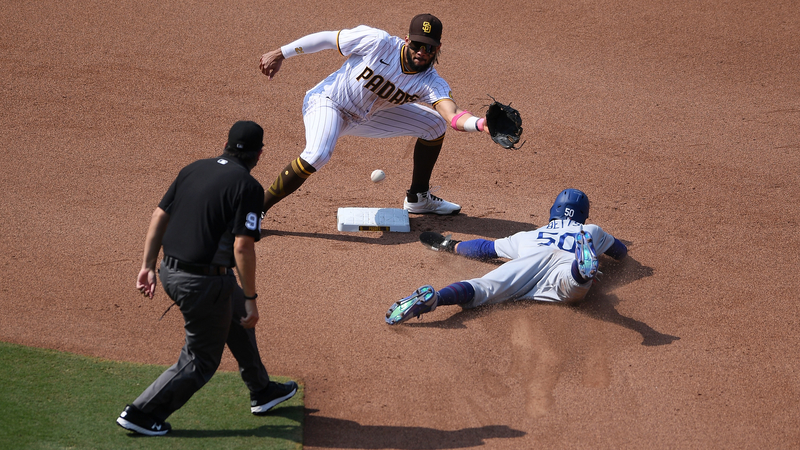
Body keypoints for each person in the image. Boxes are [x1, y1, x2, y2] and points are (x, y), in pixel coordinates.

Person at [116, 121, 298, 436]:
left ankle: (262, 390)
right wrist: (254, 299)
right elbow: (242, 247)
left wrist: (146, 265)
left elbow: (160, 215)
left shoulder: (194, 169)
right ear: (260, 154)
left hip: (171, 271)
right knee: (201, 358)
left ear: (226, 144)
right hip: (202, 283)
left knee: (237, 312)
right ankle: (142, 413)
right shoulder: (248, 187)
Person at [257, 13, 496, 217]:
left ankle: (418, 198)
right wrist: (282, 53)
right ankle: (256, 209)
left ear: (438, 48)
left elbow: (451, 114)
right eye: (417, 44)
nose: (422, 52)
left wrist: (481, 123)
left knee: (434, 125)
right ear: (406, 40)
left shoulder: (431, 82)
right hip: (328, 102)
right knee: (318, 154)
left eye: (429, 47)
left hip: (365, 117)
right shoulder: (378, 42)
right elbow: (329, 39)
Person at [385, 189, 629, 325]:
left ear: (552, 211)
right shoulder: (591, 230)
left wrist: (450, 245)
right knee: (573, 287)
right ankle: (581, 268)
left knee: (482, 286)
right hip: (565, 262)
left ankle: (437, 298)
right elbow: (620, 252)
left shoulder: (527, 236)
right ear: (583, 217)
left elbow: (485, 249)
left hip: (529, 259)